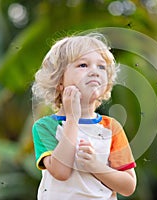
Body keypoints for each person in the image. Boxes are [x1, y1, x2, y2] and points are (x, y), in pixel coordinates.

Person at [31, 32, 137, 200]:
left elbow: (128, 186)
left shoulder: (111, 128)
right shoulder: (46, 126)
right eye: (83, 65)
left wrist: (95, 166)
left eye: (101, 67)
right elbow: (60, 171)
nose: (94, 71)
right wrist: (72, 120)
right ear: (59, 81)